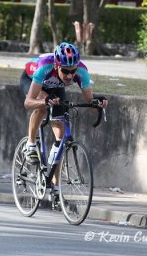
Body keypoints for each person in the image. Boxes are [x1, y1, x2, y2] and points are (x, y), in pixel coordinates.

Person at [20, 42, 108, 197]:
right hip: (32, 80)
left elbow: (89, 102)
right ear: (56, 66)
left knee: (60, 139)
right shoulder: (44, 67)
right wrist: (45, 101)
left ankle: (55, 186)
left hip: (55, 87)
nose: (69, 76)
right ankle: (31, 144)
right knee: (42, 106)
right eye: (65, 71)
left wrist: (99, 103)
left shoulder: (82, 71)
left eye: (72, 71)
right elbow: (28, 102)